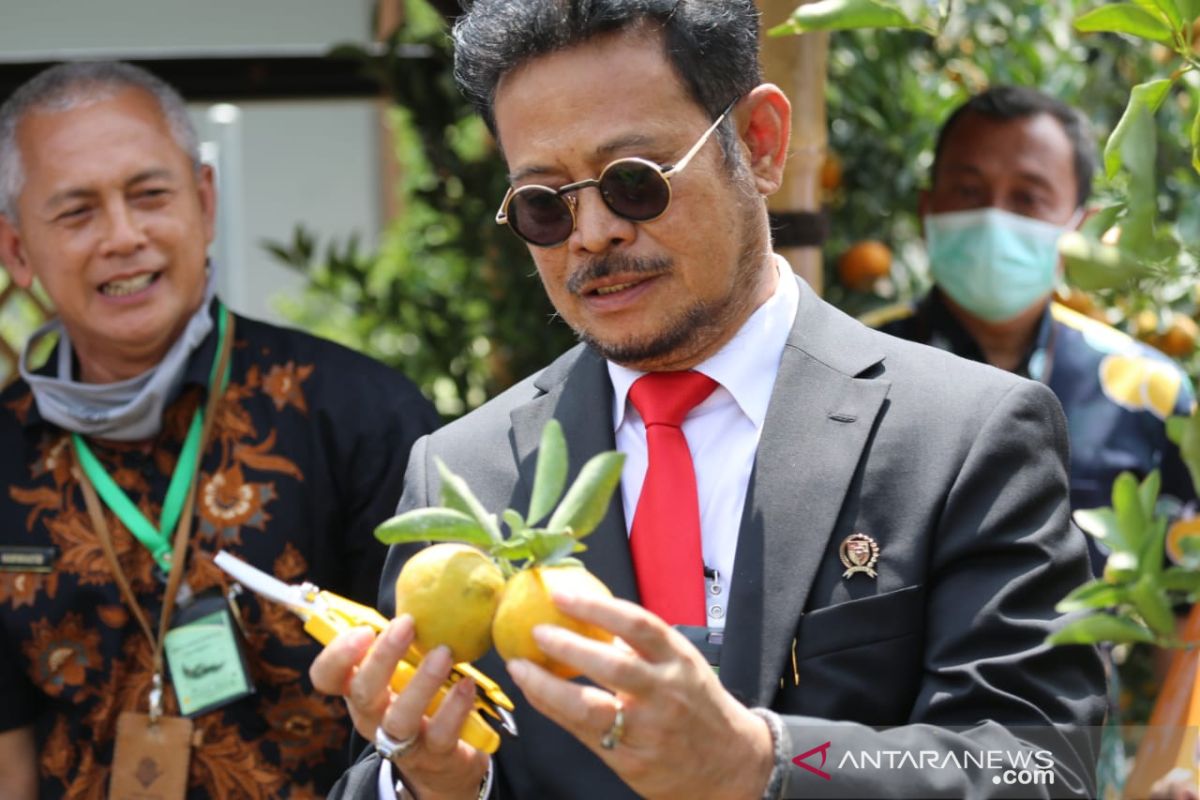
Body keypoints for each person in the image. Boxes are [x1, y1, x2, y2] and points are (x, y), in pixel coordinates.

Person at [311, 3, 1106, 798]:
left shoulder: (963, 433)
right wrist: (431, 784)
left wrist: (763, 763)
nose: (591, 234)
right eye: (545, 205)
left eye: (633, 183)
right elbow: (392, 766)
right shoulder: (464, 476)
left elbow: (1035, 761)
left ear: (759, 145)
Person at [0, 62, 440, 798]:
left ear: (204, 202)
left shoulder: (359, 415)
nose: (123, 236)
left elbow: (441, 707)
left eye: (150, 196)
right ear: (15, 251)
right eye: (76, 212)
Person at [869, 86, 1196, 572]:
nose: (994, 216)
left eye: (1027, 198)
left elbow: (1185, 599)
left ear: (1078, 229)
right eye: (968, 191)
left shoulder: (1150, 394)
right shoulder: (850, 367)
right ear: (927, 209)